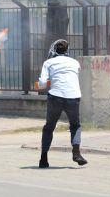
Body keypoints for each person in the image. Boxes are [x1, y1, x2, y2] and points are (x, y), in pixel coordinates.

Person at [37, 39, 87, 168]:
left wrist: (48, 83)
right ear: (67, 50)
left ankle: (43, 158)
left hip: (55, 97)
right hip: (74, 96)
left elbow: (42, 84)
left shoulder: (48, 63)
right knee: (75, 125)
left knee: (49, 127)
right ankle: (76, 153)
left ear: (53, 50)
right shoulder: (75, 62)